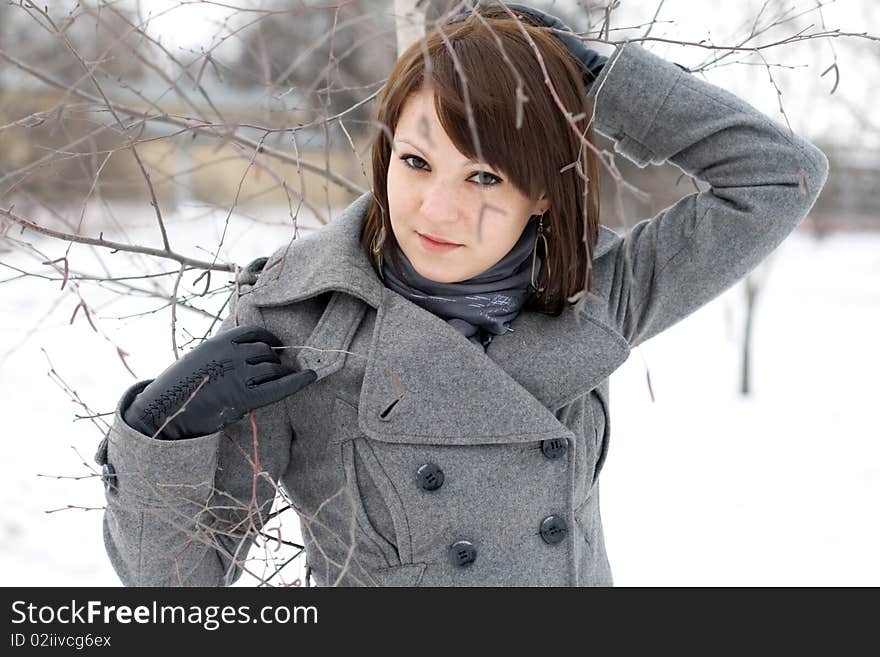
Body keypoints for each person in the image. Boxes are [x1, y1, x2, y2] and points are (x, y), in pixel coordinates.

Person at [95, 3, 829, 586]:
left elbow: (777, 174)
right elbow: (180, 590)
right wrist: (162, 440)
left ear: (542, 191)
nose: (436, 210)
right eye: (416, 162)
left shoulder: (594, 291)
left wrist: (601, 83)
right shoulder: (300, 324)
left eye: (484, 176)